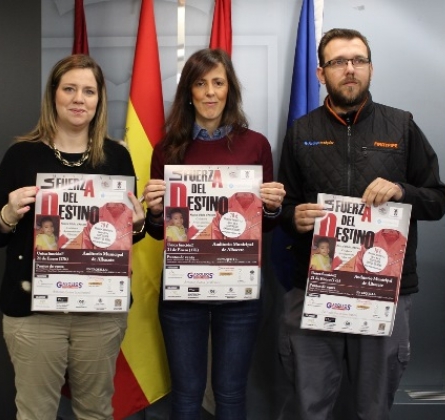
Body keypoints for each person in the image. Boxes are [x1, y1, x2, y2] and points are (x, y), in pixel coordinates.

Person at [277, 28, 445, 420]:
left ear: (371, 68)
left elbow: (438, 199)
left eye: (358, 60)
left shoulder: (401, 126)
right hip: (316, 287)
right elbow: (283, 207)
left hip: (382, 290)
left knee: (372, 409)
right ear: (321, 73)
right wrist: (293, 215)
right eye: (338, 61)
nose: (350, 69)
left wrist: (401, 191)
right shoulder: (301, 132)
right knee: (309, 407)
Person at [0, 54, 146, 420]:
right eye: (69, 89)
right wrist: (8, 214)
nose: (78, 99)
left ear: (99, 99)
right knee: (35, 413)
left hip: (99, 312)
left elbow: (125, 238)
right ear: (53, 94)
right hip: (34, 313)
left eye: (88, 91)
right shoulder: (21, 155)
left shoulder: (116, 157)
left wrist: (136, 224)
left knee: (96, 412)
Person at [141, 48, 286, 419]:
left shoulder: (256, 144)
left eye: (218, 83)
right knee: (186, 395)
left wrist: (272, 206)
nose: (209, 92)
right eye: (200, 83)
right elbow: (158, 233)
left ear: (229, 89)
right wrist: (155, 212)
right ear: (188, 92)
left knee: (231, 394)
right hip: (182, 287)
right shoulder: (167, 149)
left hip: (239, 289)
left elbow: (267, 225)